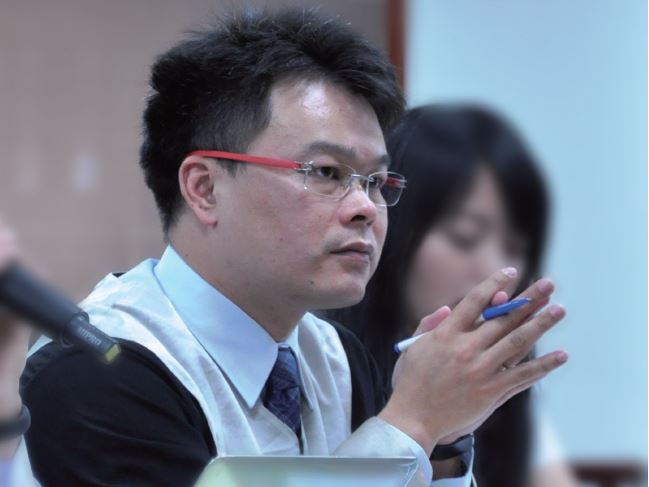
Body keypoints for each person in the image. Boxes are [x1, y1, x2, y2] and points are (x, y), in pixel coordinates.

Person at [0, 8, 568, 487]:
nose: (365, 208)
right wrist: (412, 423)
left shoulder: (334, 355)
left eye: (376, 181)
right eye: (326, 172)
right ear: (204, 188)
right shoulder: (95, 369)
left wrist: (443, 439)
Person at [327, 104, 577, 487]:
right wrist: (419, 420)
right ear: (393, 231)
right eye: (465, 237)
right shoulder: (320, 369)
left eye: (514, 248)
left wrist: (448, 444)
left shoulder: (502, 394)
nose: (495, 271)